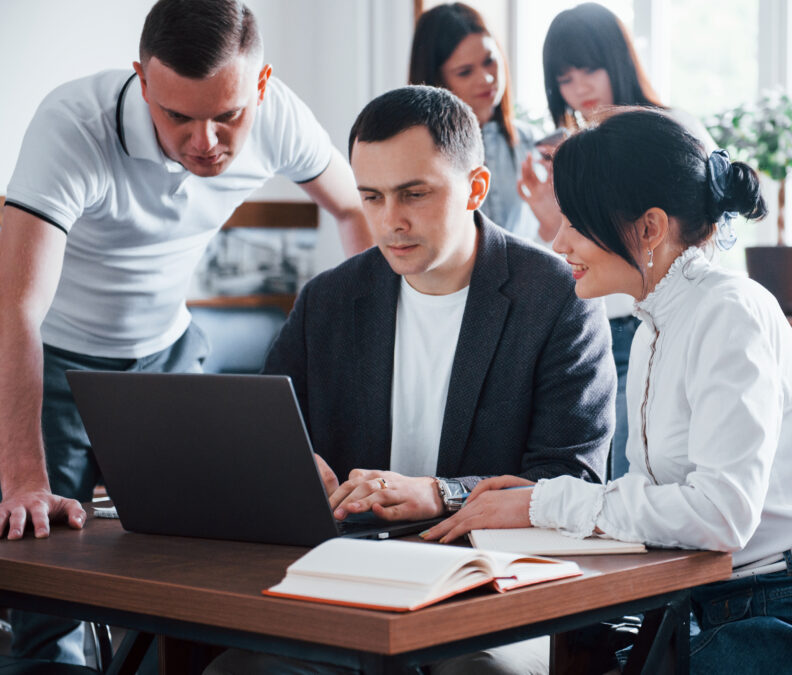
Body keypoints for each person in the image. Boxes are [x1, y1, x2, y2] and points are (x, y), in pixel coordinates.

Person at [425, 108, 792, 674]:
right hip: (718, 604)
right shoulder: (653, 327)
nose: (555, 238)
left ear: (649, 228)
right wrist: (538, 506)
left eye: (574, 220)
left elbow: (720, 515)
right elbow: (665, 500)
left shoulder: (730, 312)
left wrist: (545, 502)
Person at [0, 0, 369, 665]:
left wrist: (363, 349)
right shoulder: (73, 124)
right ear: (142, 81)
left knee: (201, 570)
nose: (206, 142)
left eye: (228, 115)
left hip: (168, 356)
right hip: (51, 360)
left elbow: (351, 209)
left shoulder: (280, 116)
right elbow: (16, 306)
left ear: (260, 85)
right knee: (46, 608)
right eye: (178, 116)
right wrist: (24, 475)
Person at [204, 85, 614, 675]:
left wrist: (440, 492)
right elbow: (263, 434)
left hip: (494, 588)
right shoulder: (328, 299)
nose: (390, 221)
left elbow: (570, 479)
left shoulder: (558, 298)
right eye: (370, 196)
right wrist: (294, 471)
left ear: (475, 188)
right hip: (353, 582)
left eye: (414, 195)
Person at [520, 2, 721, 483]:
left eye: (589, 69)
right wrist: (553, 219)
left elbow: (703, 235)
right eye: (564, 78)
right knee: (600, 476)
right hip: (586, 330)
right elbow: (555, 256)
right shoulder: (560, 151)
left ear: (620, 59)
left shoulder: (671, 131)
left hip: (642, 324)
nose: (579, 88)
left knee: (641, 476)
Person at [409, 3, 541, 242]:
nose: (487, 78)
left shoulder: (535, 143)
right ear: (436, 80)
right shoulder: (417, 154)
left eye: (490, 60)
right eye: (465, 72)